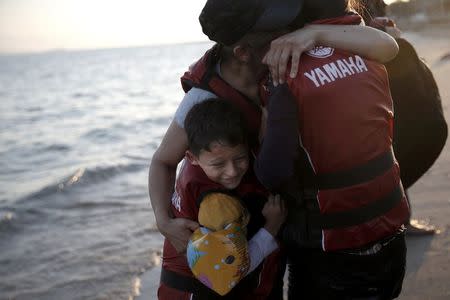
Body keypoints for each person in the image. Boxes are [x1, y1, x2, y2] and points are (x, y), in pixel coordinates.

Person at [148, 0, 400, 256]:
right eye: (278, 32)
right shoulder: (204, 98)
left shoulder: (292, 57)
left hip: (280, 224)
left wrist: (315, 33)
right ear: (243, 53)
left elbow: (387, 46)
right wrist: (163, 220)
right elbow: (162, 161)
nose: (292, 33)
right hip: (230, 230)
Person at [198, 0, 411, 299]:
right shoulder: (364, 48)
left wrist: (265, 123)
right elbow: (389, 47)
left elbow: (273, 173)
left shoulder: (285, 78)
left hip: (334, 255)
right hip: (393, 237)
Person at [158, 98, 292, 299]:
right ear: (191, 157)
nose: (231, 171)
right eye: (219, 164)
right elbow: (229, 271)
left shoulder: (200, 163)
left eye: (240, 158)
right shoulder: (217, 205)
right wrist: (271, 227)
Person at [359, 0, 448, 235]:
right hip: (363, 67)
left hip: (381, 59)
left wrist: (378, 29)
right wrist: (367, 28)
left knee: (399, 140)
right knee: (392, 142)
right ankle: (394, 219)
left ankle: (399, 218)